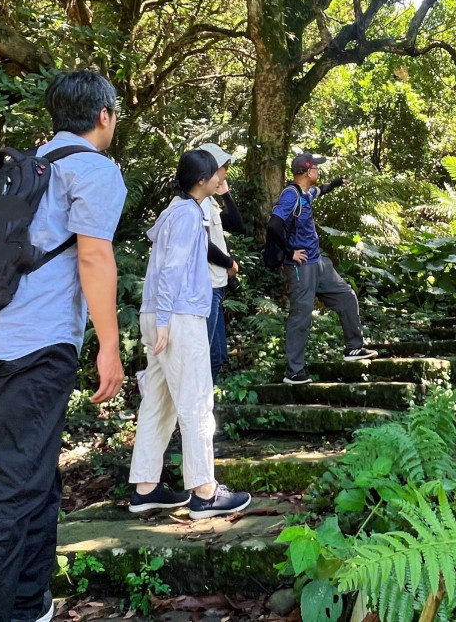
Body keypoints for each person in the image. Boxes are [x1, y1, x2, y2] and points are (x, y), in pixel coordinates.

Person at [0, 70, 127, 622]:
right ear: (104, 116)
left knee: (35, 477)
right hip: (34, 348)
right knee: (8, 495)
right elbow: (94, 258)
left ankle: (28, 602)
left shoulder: (20, 168)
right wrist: (109, 347)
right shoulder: (93, 170)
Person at [128, 149, 252, 519]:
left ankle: (145, 488)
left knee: (159, 402)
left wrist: (158, 318)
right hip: (177, 316)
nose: (223, 175)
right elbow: (171, 270)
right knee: (197, 403)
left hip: (159, 314)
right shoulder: (186, 214)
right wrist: (165, 319)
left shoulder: (176, 210)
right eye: (218, 171)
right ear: (202, 180)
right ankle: (205, 492)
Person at [266, 153, 377, 385]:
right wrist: (289, 252)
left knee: (347, 297)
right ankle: (294, 371)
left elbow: (322, 189)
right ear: (308, 172)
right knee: (301, 316)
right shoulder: (291, 195)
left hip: (319, 263)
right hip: (301, 266)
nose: (319, 171)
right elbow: (274, 224)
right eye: (316, 168)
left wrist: (336, 184)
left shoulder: (307, 193)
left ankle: (353, 348)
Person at [198, 142, 245, 382]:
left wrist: (225, 193)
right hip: (206, 287)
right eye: (224, 167)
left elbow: (237, 225)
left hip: (217, 287)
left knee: (217, 356)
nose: (226, 172)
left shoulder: (210, 203)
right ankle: (189, 413)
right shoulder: (198, 204)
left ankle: (201, 410)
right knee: (204, 355)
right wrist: (229, 263)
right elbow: (204, 245)